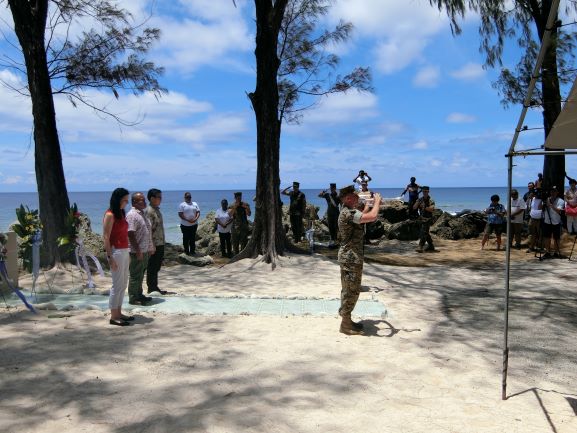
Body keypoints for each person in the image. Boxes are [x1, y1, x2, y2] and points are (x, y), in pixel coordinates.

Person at [337, 185, 382, 335]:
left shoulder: (350, 212)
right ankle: (345, 324)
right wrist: (376, 202)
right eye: (356, 197)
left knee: (351, 290)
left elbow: (363, 217)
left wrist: (369, 206)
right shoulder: (347, 213)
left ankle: (347, 320)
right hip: (350, 258)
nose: (358, 199)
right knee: (351, 290)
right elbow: (372, 217)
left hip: (352, 257)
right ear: (349, 198)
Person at [103, 187, 134, 326]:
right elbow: (106, 237)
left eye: (127, 200)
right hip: (116, 251)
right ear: (117, 200)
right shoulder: (110, 214)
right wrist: (110, 257)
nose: (126, 203)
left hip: (124, 250)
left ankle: (119, 312)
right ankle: (113, 315)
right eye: (124, 200)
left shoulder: (121, 213)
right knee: (116, 285)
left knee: (123, 284)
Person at [126, 192, 155, 305]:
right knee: (135, 275)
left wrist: (150, 247)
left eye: (144, 200)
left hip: (145, 250)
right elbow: (130, 233)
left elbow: (147, 232)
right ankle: (133, 298)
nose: (144, 202)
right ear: (134, 202)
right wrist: (137, 250)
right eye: (141, 200)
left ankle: (139, 294)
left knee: (141, 274)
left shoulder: (142, 214)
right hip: (136, 251)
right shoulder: (132, 215)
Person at [145, 188, 167, 295]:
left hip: (160, 243)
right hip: (154, 244)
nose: (161, 199)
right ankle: (151, 288)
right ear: (152, 198)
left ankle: (155, 286)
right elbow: (148, 230)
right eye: (159, 197)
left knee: (157, 266)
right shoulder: (149, 211)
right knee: (152, 267)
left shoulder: (157, 210)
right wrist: (151, 244)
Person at [542, 186, 565, 258]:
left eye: (554, 191)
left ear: (557, 192)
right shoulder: (547, 199)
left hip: (556, 222)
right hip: (547, 221)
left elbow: (559, 211)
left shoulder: (561, 201)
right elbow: (540, 208)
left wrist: (551, 205)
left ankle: (556, 252)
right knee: (547, 237)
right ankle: (547, 252)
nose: (553, 193)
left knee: (556, 238)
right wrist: (543, 203)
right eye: (552, 191)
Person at [414, 186, 436, 252]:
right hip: (421, 218)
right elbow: (414, 208)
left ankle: (420, 246)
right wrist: (416, 202)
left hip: (428, 219)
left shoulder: (431, 200)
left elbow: (431, 209)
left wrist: (425, 207)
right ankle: (431, 246)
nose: (425, 193)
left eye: (426, 191)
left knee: (423, 232)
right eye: (423, 191)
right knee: (425, 233)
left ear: (428, 191)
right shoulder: (420, 199)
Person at [526, 188, 543, 253]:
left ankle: (541, 247)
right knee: (532, 233)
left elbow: (540, 207)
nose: (535, 195)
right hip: (532, 218)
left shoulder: (541, 200)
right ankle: (531, 247)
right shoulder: (532, 199)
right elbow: (527, 205)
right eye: (534, 193)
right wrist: (529, 198)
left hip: (539, 219)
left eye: (536, 193)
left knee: (540, 234)